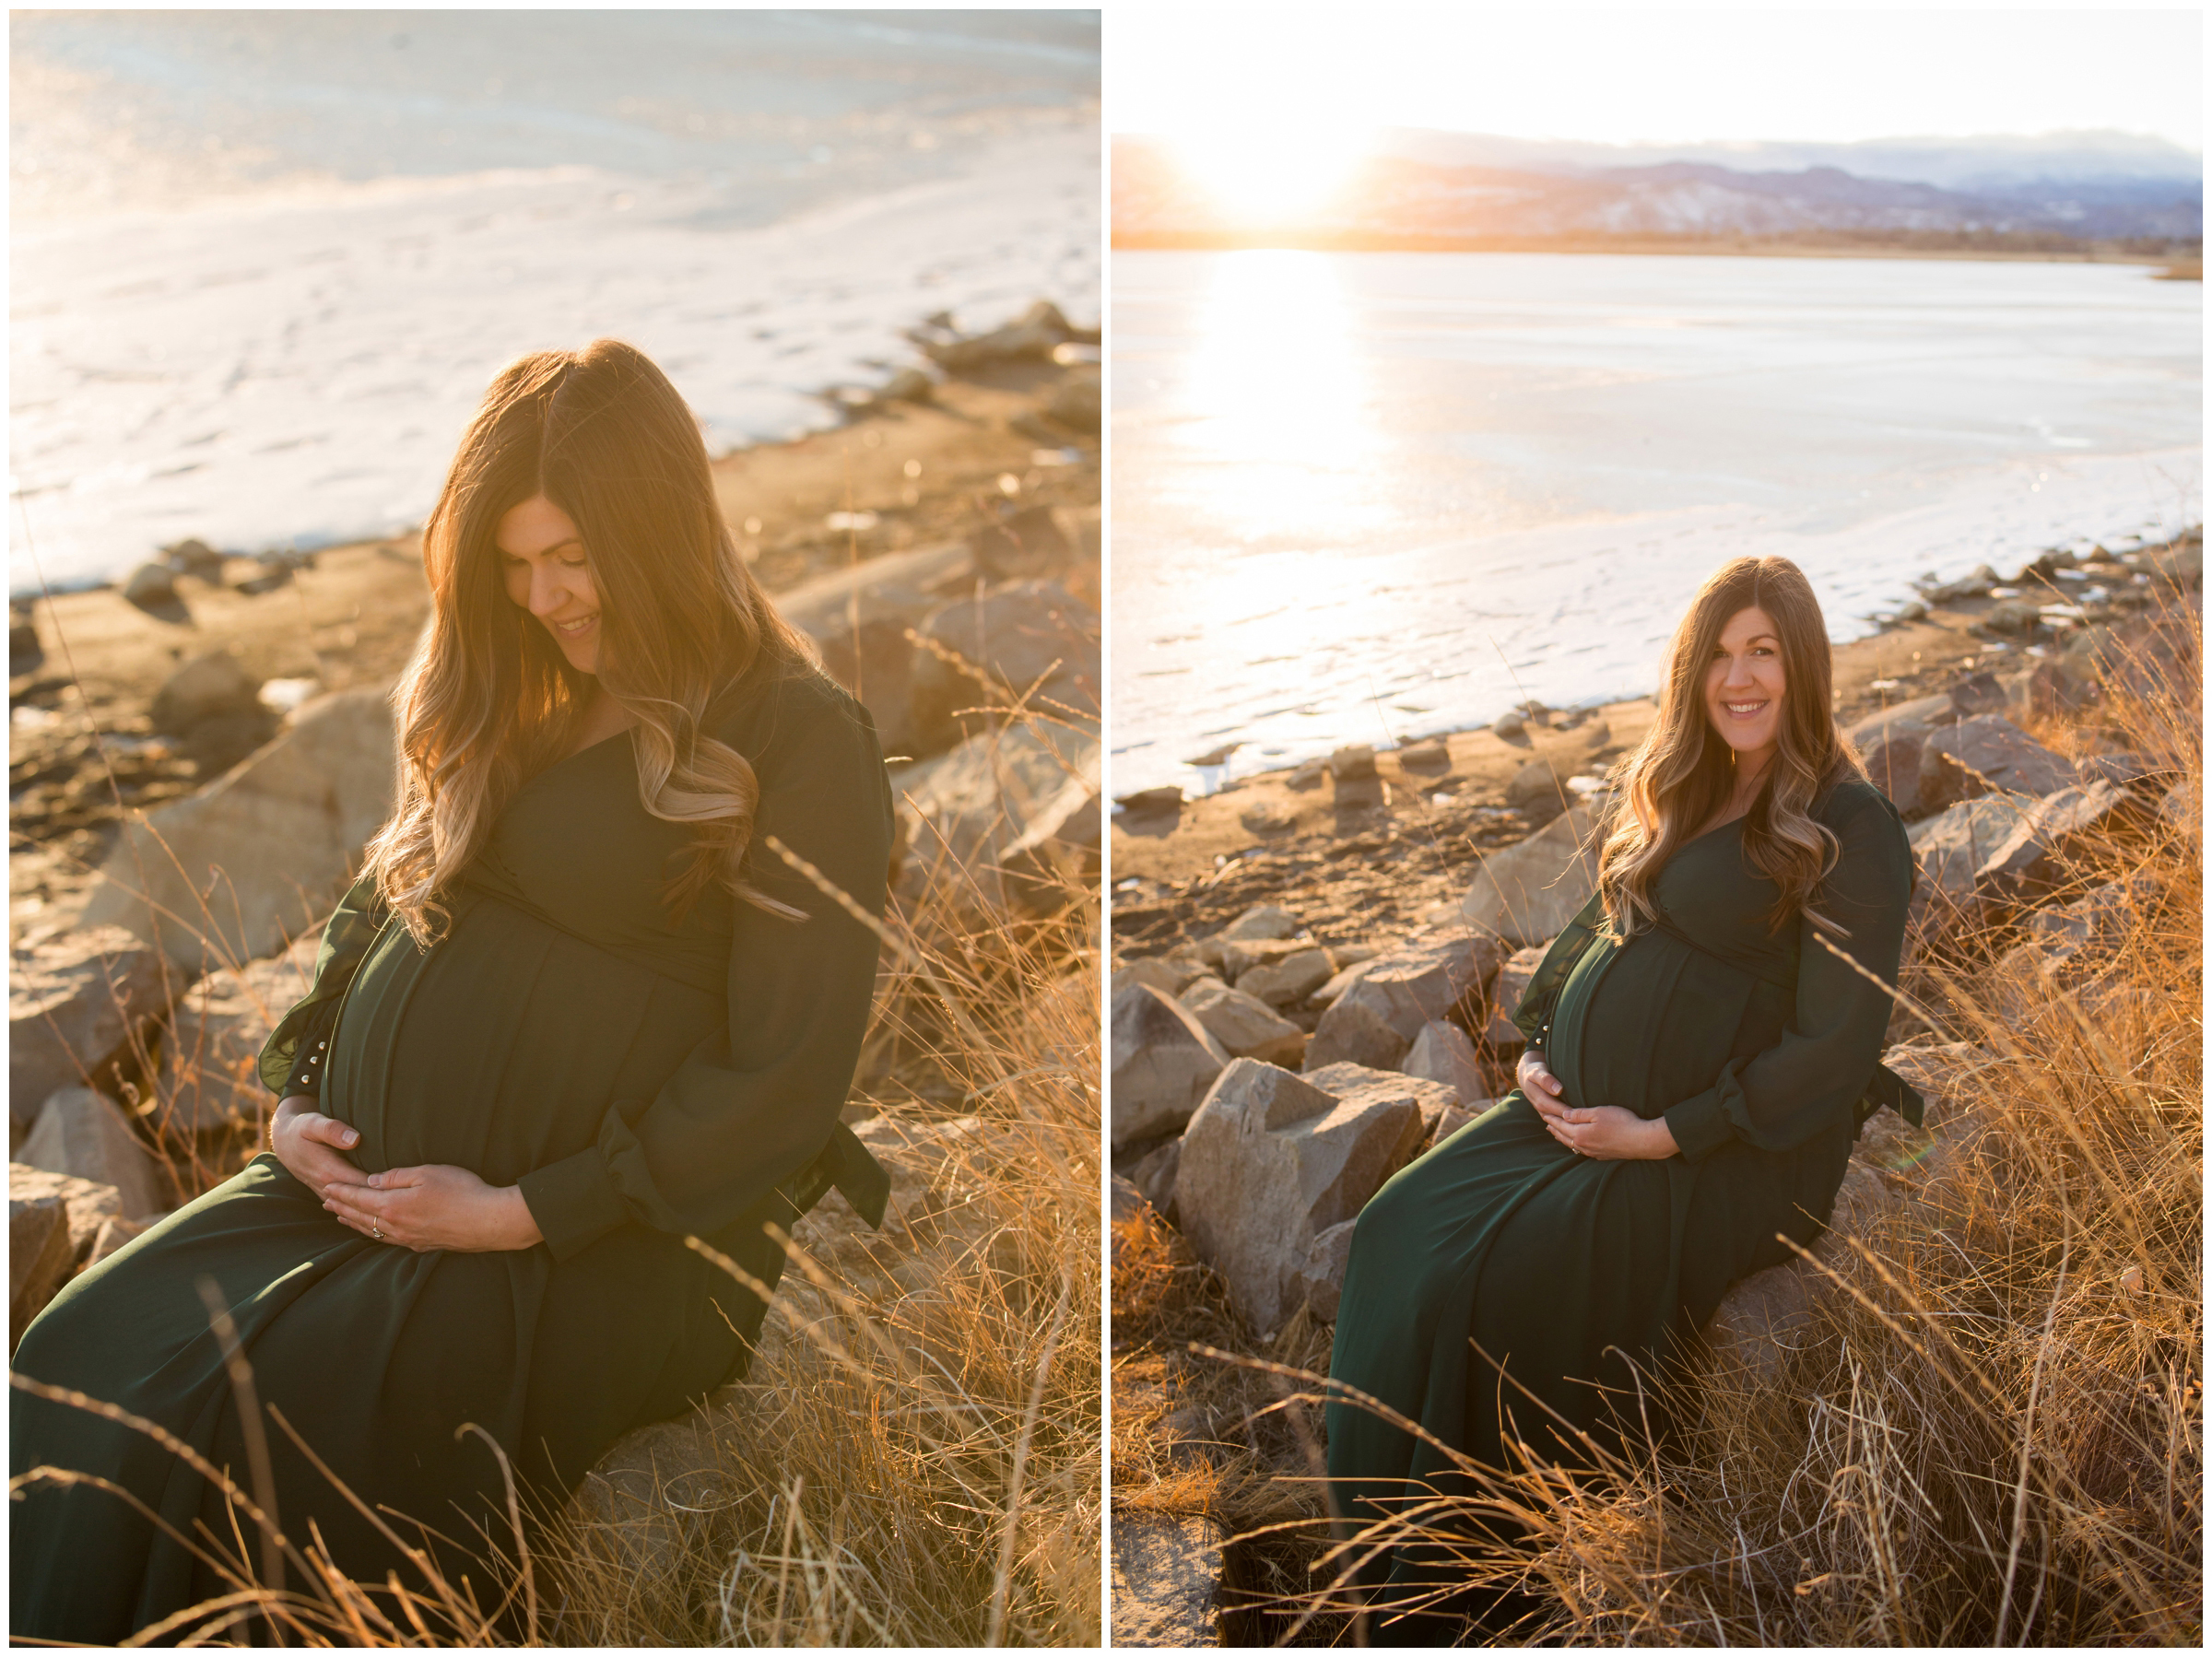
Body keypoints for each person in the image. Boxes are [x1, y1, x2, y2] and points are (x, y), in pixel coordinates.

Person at [12, 340, 897, 1643]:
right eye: (516, 564)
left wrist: (526, 1210)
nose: (546, 594)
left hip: (604, 1241)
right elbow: (383, 896)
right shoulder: (518, 686)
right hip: (363, 1193)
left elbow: (788, 1070)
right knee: (79, 1367)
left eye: (576, 557)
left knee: (277, 1441)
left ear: (660, 531)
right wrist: (299, 1097)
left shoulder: (796, 735)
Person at [1324, 554, 1919, 1641]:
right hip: (1585, 1117)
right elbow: (1605, 924)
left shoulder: (1849, 823)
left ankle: (1466, 1591)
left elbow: (1834, 1047)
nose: (1739, 680)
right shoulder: (1690, 782)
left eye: (1765, 655)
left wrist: (1662, 1134)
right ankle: (1379, 1550)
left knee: (1492, 1285)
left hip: (1735, 1152)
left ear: (1805, 668)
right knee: (1397, 1228)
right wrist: (1547, 1047)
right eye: (1719, 657)